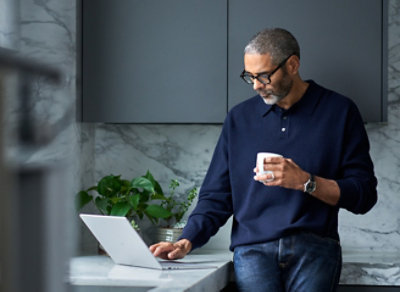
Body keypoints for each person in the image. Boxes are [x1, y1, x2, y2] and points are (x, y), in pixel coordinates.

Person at [150, 28, 377, 292]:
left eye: (264, 76)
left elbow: (364, 195)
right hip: (252, 250)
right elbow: (216, 196)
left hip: (315, 247)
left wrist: (306, 181)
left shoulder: (339, 111)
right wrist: (186, 240)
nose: (257, 85)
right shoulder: (239, 119)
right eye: (250, 76)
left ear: (292, 65)